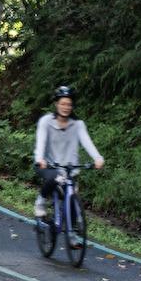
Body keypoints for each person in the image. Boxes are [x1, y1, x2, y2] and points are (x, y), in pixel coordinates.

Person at [33, 85, 104, 222]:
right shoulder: (46, 122)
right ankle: (40, 202)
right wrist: (40, 159)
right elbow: (40, 142)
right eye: (63, 103)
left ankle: (72, 237)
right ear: (56, 104)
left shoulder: (78, 124)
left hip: (69, 169)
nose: (66, 107)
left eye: (69, 104)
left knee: (72, 200)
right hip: (48, 165)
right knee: (54, 178)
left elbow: (87, 142)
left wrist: (97, 158)